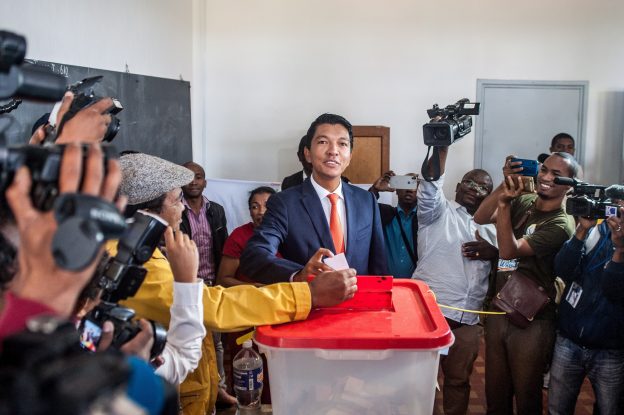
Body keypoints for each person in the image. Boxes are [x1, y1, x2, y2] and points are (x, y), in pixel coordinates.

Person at [115, 152, 358, 415]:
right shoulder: (136, 265)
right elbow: (213, 307)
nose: (182, 208)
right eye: (176, 201)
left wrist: (210, 384)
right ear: (146, 215)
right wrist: (307, 293)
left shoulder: (141, 252)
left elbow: (189, 321)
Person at [474, 152, 578, 415]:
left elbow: (509, 251)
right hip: (500, 309)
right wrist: (505, 184)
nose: (546, 177)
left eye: (556, 175)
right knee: (495, 394)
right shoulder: (525, 200)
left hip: (532, 319)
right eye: (544, 170)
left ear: (570, 185)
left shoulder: (561, 223)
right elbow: (480, 217)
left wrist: (505, 205)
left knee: (527, 395)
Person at [240, 113, 387, 283]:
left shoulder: (366, 201)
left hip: (360, 298)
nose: (333, 151)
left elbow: (379, 266)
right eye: (323, 142)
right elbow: (255, 255)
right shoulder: (284, 203)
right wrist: (298, 275)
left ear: (350, 157)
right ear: (307, 153)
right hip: (309, 298)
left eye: (342, 144)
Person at [412, 146, 498, 415]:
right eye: (470, 182)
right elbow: (430, 185)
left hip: (468, 321)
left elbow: (513, 266)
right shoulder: (437, 212)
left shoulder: (494, 228)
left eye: (484, 187)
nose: (475, 188)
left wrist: (495, 255)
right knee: (422, 384)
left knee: (458, 382)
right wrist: (441, 146)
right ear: (459, 186)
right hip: (430, 314)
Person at [548, 208, 624, 414]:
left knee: (609, 410)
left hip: (611, 350)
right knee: (557, 409)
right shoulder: (595, 230)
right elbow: (562, 270)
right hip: (569, 340)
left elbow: (614, 291)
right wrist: (582, 230)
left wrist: (620, 249)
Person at [179, 161, 234, 406]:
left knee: (217, 342)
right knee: (191, 339)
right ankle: (193, 393)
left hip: (213, 283)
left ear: (205, 182)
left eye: (198, 177)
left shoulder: (216, 210)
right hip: (187, 284)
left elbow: (224, 247)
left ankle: (219, 390)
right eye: (188, 177)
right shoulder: (175, 209)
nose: (194, 181)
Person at [217, 186, 276, 287]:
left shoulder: (289, 235)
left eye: (267, 206)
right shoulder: (239, 236)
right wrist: (254, 287)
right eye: (255, 207)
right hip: (247, 295)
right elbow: (222, 280)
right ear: (250, 212)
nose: (261, 212)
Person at [369, 171, 419, 278]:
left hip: (416, 282)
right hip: (384, 281)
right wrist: (375, 190)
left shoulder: (425, 220)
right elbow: (363, 209)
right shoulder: (384, 213)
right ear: (397, 190)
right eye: (405, 184)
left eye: (414, 185)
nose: (410, 190)